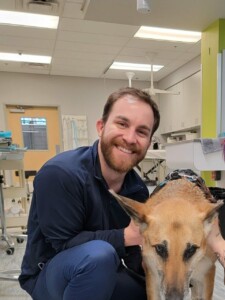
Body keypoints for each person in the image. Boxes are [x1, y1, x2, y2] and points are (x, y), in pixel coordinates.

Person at [19, 87, 225, 300]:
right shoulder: (61, 174)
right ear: (101, 127)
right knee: (99, 256)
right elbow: (62, 245)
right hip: (51, 274)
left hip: (106, 269)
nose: (130, 137)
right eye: (122, 124)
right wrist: (125, 236)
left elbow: (137, 254)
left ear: (149, 141)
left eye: (142, 131)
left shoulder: (137, 188)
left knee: (141, 290)